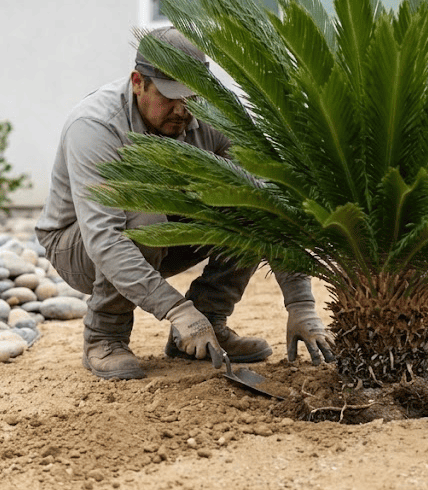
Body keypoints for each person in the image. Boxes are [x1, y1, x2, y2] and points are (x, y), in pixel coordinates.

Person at [35, 26, 335, 380]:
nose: (182, 110)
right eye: (169, 96)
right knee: (143, 215)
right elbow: (104, 237)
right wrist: (177, 310)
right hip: (79, 246)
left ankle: (207, 324)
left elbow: (267, 197)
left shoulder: (211, 113)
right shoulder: (96, 126)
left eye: (191, 97)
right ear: (137, 82)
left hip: (166, 226)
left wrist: (301, 305)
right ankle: (105, 335)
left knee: (246, 201)